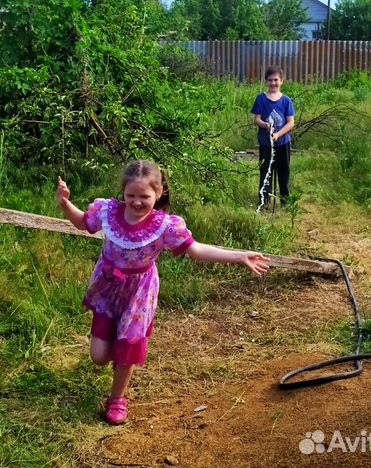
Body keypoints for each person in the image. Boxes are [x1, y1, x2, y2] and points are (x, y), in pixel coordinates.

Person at [56, 160, 270, 425]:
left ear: (158, 194)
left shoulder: (166, 226)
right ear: (123, 192)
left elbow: (197, 250)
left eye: (144, 196)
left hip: (139, 293)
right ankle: (117, 353)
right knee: (99, 356)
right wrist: (66, 203)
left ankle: (117, 398)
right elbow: (81, 222)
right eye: (130, 195)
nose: (136, 202)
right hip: (108, 287)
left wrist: (239, 257)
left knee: (129, 345)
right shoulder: (107, 211)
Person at [251, 66, 295, 207]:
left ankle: (285, 203)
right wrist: (265, 125)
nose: (273, 83)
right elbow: (256, 119)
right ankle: (264, 202)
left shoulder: (286, 100)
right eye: (270, 80)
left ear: (281, 81)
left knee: (284, 173)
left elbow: (290, 123)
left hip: (283, 143)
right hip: (266, 143)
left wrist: (278, 134)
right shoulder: (261, 99)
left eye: (276, 80)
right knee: (265, 172)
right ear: (266, 81)